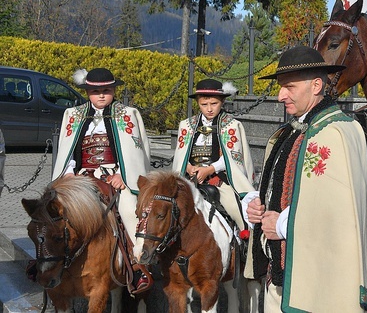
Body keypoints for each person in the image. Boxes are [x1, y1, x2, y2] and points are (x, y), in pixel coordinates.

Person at [243, 46, 367, 312]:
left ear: (315, 85)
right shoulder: (291, 131)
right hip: (280, 276)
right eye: (280, 87)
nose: (280, 96)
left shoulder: (334, 132)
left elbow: (337, 213)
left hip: (315, 286)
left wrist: (281, 225)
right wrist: (257, 203)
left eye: (289, 87)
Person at [51, 67, 152, 292]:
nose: (101, 96)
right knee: (52, 212)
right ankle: (48, 261)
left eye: (106, 90)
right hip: (81, 177)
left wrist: (122, 175)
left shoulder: (128, 114)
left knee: (128, 210)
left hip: (114, 176)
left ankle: (137, 266)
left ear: (114, 90)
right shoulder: (73, 115)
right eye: (96, 92)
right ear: (87, 92)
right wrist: (68, 172)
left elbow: (135, 152)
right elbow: (68, 149)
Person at [172, 79, 254, 239]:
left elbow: (232, 158)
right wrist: (188, 167)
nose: (209, 109)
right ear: (197, 103)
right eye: (204, 104)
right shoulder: (187, 126)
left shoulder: (231, 125)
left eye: (214, 103)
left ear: (222, 102)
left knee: (240, 214)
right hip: (190, 179)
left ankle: (245, 247)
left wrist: (209, 169)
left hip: (220, 181)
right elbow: (181, 154)